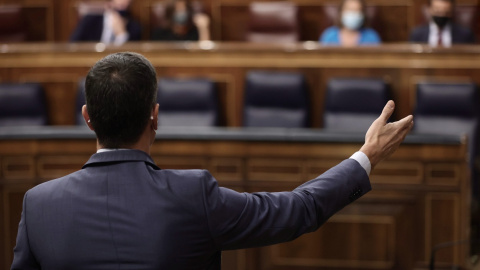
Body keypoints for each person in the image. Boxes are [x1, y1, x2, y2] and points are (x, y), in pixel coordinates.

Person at [11, 52, 413, 270]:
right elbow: (299, 210)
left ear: (87, 117)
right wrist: (366, 156)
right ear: (155, 116)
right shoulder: (192, 196)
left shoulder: (39, 204)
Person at [70, 0, 141, 45]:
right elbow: (73, 45)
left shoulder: (135, 27)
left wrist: (121, 35)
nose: (124, 1)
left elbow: (129, 59)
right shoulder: (90, 20)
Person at [409, 0, 475, 47]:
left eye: (446, 12)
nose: (441, 15)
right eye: (437, 11)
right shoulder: (417, 35)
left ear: (451, 11)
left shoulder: (465, 35)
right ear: (430, 9)